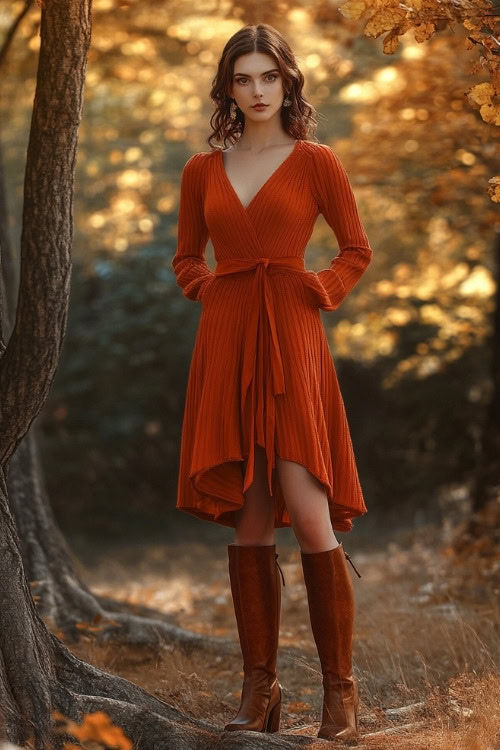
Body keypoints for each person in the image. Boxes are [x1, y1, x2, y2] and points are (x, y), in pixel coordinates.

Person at [171, 22, 372, 743]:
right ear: (228, 87)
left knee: (309, 513)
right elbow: (186, 258)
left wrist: (320, 288)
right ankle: (260, 689)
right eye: (243, 79)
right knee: (251, 517)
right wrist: (210, 293)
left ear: (288, 82)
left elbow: (356, 248)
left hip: (293, 335)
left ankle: (340, 695)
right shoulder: (203, 168)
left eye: (269, 77)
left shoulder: (315, 160)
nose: (256, 91)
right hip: (227, 343)